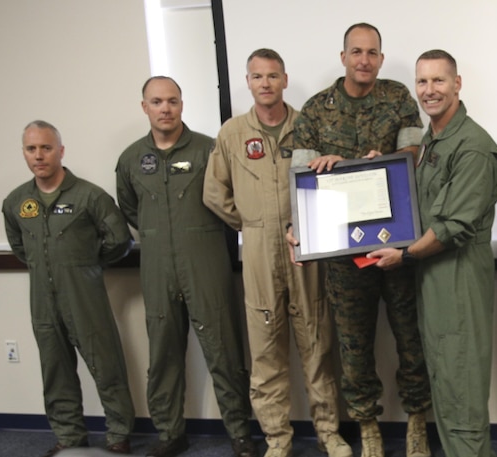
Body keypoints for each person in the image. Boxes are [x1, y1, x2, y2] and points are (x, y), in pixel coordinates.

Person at [291, 22, 432, 457]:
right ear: (343, 57)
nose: (364, 60)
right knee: (354, 344)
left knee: (411, 339)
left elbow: (413, 155)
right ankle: (367, 425)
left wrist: (381, 160)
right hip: (343, 254)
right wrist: (302, 224)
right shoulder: (315, 110)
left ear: (381, 59)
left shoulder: (398, 99)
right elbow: (299, 180)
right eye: (356, 52)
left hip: (397, 245)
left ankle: (417, 422)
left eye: (372, 53)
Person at [203, 49, 352, 457]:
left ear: (285, 79)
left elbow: (333, 180)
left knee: (317, 344)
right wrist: (252, 223)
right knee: (266, 351)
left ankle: (329, 433)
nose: (265, 83)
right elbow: (214, 193)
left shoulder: (309, 125)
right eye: (257, 77)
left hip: (307, 249)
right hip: (257, 252)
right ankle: (277, 440)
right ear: (248, 82)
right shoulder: (232, 134)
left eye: (272, 76)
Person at [366, 49, 497, 457]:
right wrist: (383, 171)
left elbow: (450, 228)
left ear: (457, 84)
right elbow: (420, 202)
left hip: (457, 279)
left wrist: (404, 256)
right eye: (422, 82)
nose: (430, 90)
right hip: (434, 280)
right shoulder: (433, 140)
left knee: (461, 390)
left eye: (439, 80)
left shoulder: (473, 147)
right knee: (445, 385)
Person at [115, 76, 256, 457]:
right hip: (157, 265)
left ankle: (240, 433)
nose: (165, 108)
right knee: (163, 352)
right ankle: (169, 432)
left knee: (224, 349)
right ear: (144, 107)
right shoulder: (130, 159)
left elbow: (230, 202)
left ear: (182, 104)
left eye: (172, 101)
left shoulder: (209, 149)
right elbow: (130, 208)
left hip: (205, 262)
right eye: (157, 102)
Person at [3, 121, 135, 457]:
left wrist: (86, 264)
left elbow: (119, 239)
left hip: (84, 294)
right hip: (42, 301)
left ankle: (119, 433)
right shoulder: (17, 201)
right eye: (31, 149)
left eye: (46, 148)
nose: (39, 155)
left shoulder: (89, 196)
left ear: (60, 151)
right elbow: (19, 246)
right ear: (24, 153)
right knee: (55, 370)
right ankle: (68, 435)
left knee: (106, 367)